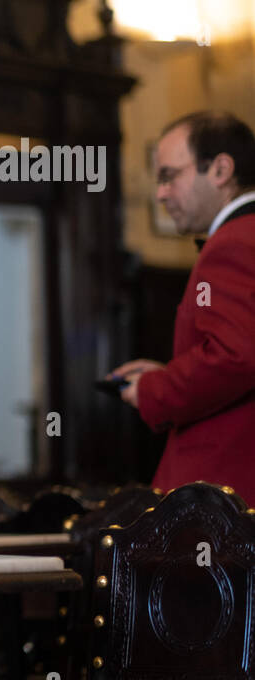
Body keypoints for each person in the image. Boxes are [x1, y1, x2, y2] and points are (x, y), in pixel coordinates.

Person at [110, 111, 255, 503]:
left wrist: (153, 388)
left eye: (169, 176)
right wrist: (173, 373)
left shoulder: (233, 242)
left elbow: (235, 356)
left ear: (221, 169)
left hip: (223, 499)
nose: (160, 193)